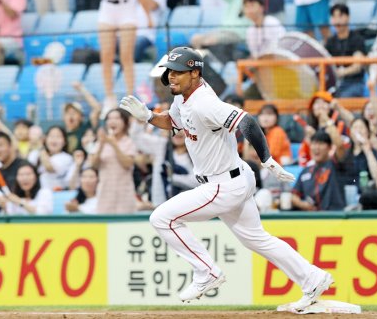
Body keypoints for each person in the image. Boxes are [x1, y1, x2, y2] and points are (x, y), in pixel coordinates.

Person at [119, 47, 333, 308]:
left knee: (162, 218)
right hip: (233, 178)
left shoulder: (204, 103)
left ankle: (206, 272)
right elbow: (174, 123)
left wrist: (266, 159)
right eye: (170, 72)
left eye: (178, 72)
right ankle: (313, 278)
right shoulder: (184, 96)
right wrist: (150, 117)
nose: (171, 77)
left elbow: (248, 122)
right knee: (257, 239)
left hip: (222, 184)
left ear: (195, 73)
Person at [89, 108, 137, 214]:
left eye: (117, 118)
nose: (112, 121)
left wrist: (114, 145)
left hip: (124, 193)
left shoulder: (129, 142)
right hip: (105, 193)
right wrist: (101, 144)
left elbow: (128, 163)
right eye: (109, 119)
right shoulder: (100, 142)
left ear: (125, 122)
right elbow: (93, 164)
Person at [290, 130, 347, 212]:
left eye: (320, 144)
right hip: (313, 219)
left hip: (335, 217)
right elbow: (294, 195)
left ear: (330, 147)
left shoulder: (335, 164)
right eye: (313, 144)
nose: (316, 148)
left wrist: (327, 122)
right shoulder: (306, 171)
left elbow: (339, 146)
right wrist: (303, 205)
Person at [325, 4, 368, 98]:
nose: (337, 21)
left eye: (340, 16)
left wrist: (342, 72)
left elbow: (357, 66)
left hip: (354, 82)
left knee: (343, 99)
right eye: (334, 17)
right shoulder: (330, 42)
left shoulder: (357, 39)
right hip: (334, 83)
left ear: (348, 17)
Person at [28, 126, 73, 191]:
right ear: (45, 139)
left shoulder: (66, 158)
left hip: (56, 194)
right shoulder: (35, 154)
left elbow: (49, 168)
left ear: (64, 142)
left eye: (58, 137)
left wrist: (41, 146)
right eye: (51, 136)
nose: (54, 140)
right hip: (36, 194)